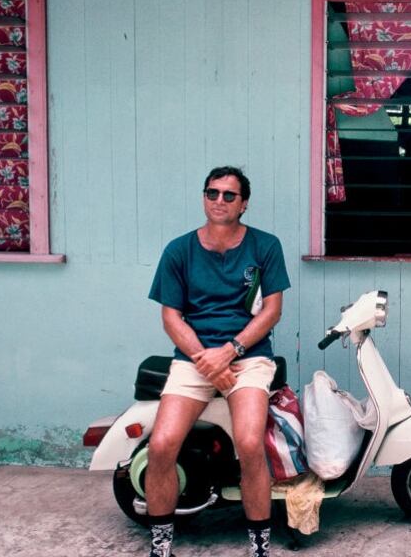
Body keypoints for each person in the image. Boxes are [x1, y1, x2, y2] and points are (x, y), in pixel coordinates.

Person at [145, 166, 290, 557]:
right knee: (161, 445)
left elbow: (271, 311)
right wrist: (204, 358)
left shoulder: (265, 246)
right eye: (212, 193)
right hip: (194, 359)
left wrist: (231, 351)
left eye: (229, 195)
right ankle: (160, 547)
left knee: (249, 443)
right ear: (204, 197)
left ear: (244, 203)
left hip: (249, 357)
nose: (219, 201)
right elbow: (171, 317)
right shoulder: (179, 250)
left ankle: (259, 546)